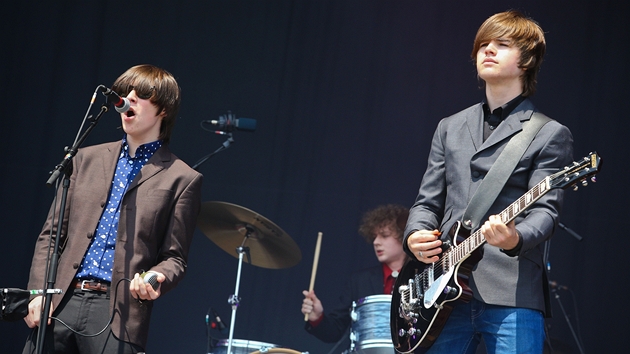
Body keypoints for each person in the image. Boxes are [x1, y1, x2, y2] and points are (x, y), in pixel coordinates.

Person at [403, 10, 573, 354]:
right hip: (440, 292)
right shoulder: (449, 126)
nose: (488, 50)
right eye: (483, 44)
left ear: (526, 61)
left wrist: (515, 237)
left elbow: (545, 212)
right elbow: (427, 202)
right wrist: (414, 235)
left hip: (510, 290)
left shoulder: (548, 133)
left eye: (502, 44)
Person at [22, 64, 203, 353]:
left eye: (141, 94)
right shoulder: (84, 159)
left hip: (118, 314)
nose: (128, 98)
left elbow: (174, 258)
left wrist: (155, 279)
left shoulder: (181, 178)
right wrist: (37, 294)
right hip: (60, 302)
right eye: (124, 92)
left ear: (164, 110)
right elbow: (51, 236)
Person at [301, 204, 409, 346]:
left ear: (404, 236)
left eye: (384, 235)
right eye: (374, 237)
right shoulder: (359, 281)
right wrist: (317, 317)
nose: (376, 242)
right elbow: (334, 332)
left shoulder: (422, 275)